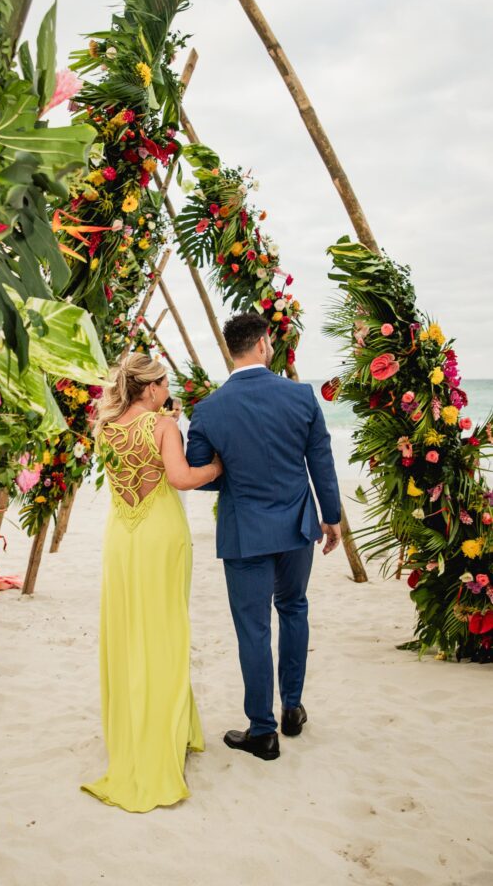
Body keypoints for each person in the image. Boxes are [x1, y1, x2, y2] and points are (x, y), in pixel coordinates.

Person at [186, 313, 341, 762]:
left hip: (245, 529)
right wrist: (330, 517)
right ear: (262, 344)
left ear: (232, 349)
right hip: (296, 526)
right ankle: (292, 708)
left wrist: (232, 474)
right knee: (294, 608)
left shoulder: (209, 409)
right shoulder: (299, 395)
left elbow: (202, 475)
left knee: (253, 627)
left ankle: (263, 729)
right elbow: (321, 462)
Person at [82, 354, 222, 811]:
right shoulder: (163, 425)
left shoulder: (106, 426)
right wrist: (216, 468)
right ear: (151, 387)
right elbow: (180, 479)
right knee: (164, 631)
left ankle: (142, 726)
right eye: (164, 382)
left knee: (128, 632)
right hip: (161, 534)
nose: (168, 388)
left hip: (122, 537)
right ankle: (164, 732)